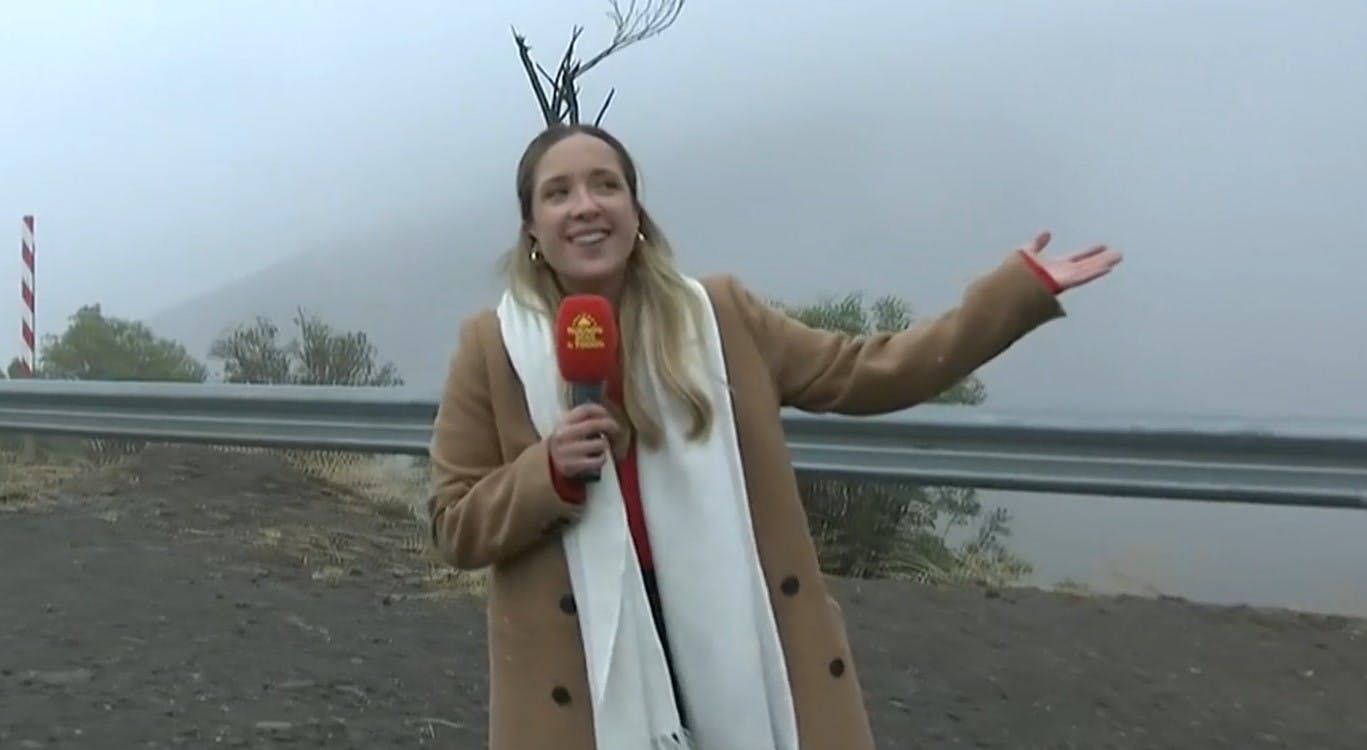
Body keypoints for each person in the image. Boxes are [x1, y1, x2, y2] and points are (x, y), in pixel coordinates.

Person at [427, 123, 1122, 750]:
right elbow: (454, 526)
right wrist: (545, 474)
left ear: (636, 214)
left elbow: (868, 371)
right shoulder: (491, 348)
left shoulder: (722, 319)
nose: (585, 206)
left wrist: (1012, 295)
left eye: (605, 185)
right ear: (531, 228)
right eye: (558, 193)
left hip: (742, 649)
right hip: (588, 680)